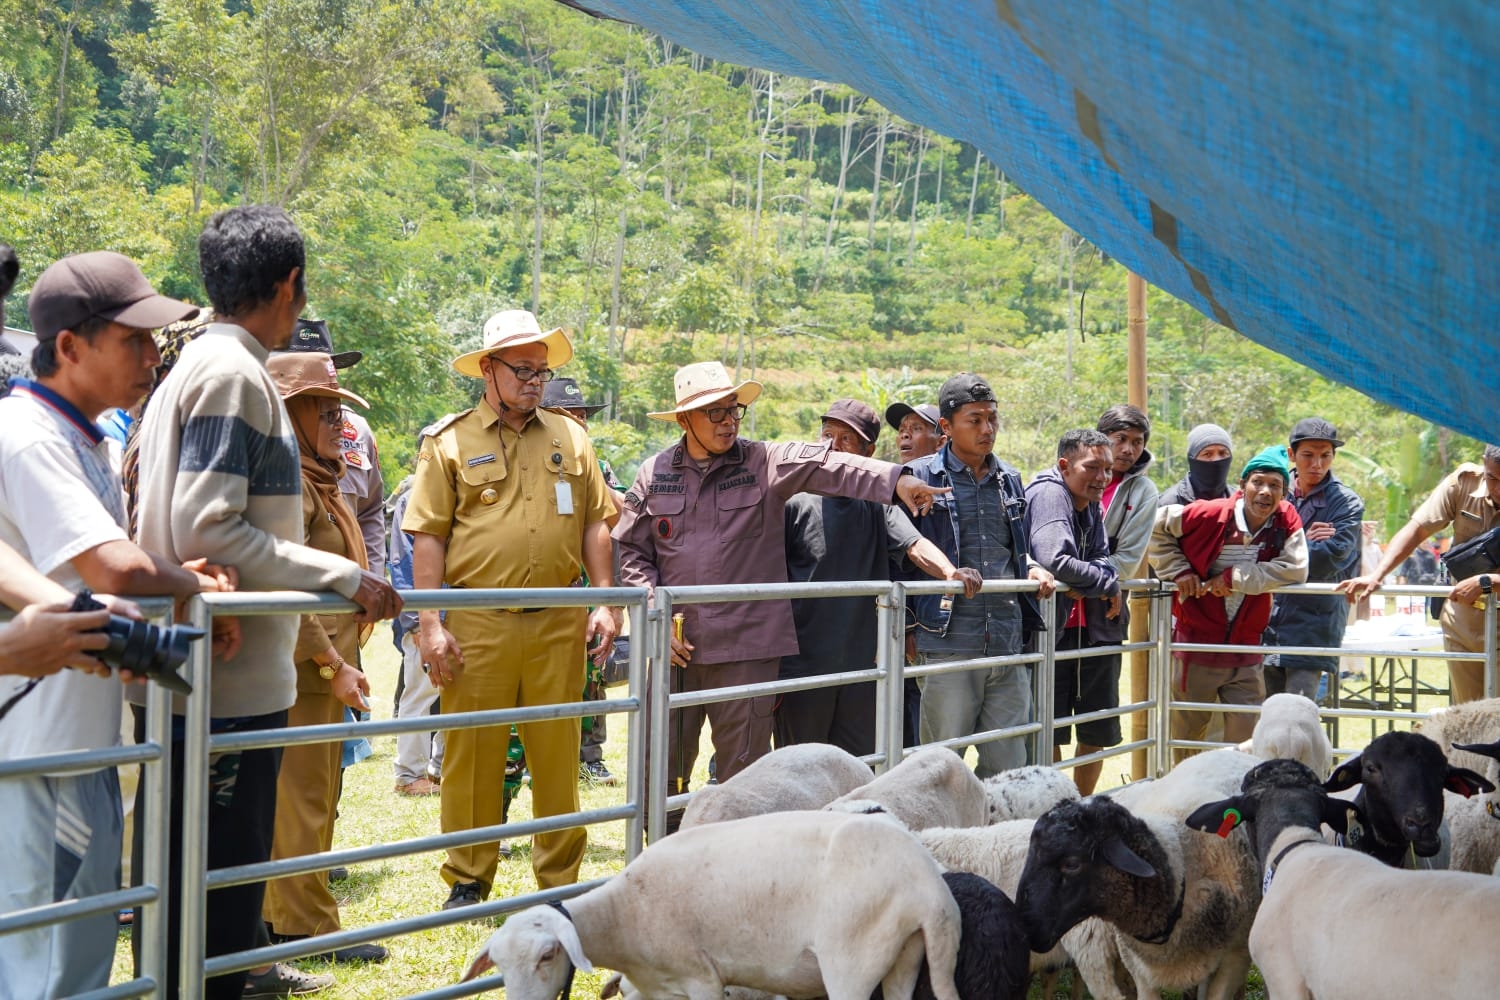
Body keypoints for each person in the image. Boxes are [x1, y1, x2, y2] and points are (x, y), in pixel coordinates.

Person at [132, 206, 402, 1000]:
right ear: (289, 285)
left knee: (202, 911)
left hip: (218, 681)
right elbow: (205, 528)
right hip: (227, 693)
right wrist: (345, 578)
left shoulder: (206, 367)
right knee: (212, 920)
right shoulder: (233, 377)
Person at [0, 250, 241, 997]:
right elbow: (115, 571)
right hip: (41, 746)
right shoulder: (29, 435)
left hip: (83, 738)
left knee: (80, 951)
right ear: (69, 347)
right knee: (49, 966)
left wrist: (172, 585)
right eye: (132, 339)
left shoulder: (94, 437)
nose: (150, 354)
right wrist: (178, 584)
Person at [614, 362, 949, 815]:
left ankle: (740, 875)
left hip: (747, 650)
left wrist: (897, 480)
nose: (728, 421)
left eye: (733, 410)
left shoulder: (764, 461)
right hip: (676, 648)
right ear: (683, 420)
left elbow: (831, 464)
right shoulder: (654, 474)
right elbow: (632, 553)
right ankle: (664, 864)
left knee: (744, 780)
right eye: (714, 413)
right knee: (663, 771)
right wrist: (654, 614)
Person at [403, 309, 618, 908]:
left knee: (557, 755)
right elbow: (429, 536)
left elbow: (597, 524)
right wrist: (429, 622)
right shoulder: (449, 442)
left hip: (557, 618)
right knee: (473, 754)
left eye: (541, 371)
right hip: (477, 620)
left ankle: (559, 884)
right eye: (522, 369)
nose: (533, 380)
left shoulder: (570, 437)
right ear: (488, 371)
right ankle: (469, 878)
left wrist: (605, 602)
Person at [259, 351, 388, 961]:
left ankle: (284, 915)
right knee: (301, 803)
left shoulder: (317, 479)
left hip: (323, 666)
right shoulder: (288, 485)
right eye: (327, 410)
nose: (341, 424)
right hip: (305, 670)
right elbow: (284, 589)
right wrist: (332, 666)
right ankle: (303, 926)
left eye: (340, 410)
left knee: (308, 798)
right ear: (290, 413)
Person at [776, 399, 981, 756]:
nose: (831, 446)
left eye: (845, 439)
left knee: (859, 767)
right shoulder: (793, 501)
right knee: (800, 767)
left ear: (867, 452)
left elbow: (915, 545)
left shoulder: (876, 504)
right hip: (803, 669)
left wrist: (950, 571)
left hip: (862, 670)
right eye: (827, 435)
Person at [903, 373, 1055, 777]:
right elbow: (898, 553)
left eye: (992, 418)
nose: (987, 429)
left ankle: (999, 842)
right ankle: (940, 842)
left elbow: (1016, 550)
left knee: (1009, 767)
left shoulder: (1010, 479)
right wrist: (905, 627)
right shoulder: (919, 479)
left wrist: (1034, 568)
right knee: (942, 767)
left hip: (1006, 639)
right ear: (947, 427)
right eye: (974, 420)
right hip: (948, 640)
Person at [1149, 446, 1308, 757]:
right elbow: (1152, 529)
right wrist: (1178, 571)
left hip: (1246, 646)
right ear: (1242, 485)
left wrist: (1236, 577)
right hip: (1197, 642)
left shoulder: (1285, 520)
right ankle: (1183, 801)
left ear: (1284, 494)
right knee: (1187, 736)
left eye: (1275, 486)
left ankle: (1240, 800)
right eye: (1258, 482)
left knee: (1247, 738)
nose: (1265, 492)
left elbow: (1296, 568)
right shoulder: (1208, 513)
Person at [1339, 445, 1500, 703]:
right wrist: (1378, 574)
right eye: (1493, 478)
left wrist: (1490, 581)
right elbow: (1417, 529)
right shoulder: (1463, 482)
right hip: (1463, 623)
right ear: (1484, 464)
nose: (1498, 489)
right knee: (1468, 718)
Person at [1024, 429, 1122, 794]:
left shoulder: (1089, 500)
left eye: (1107, 469)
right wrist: (1106, 584)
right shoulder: (1051, 494)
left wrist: (1099, 578)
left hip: (1078, 628)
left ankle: (1078, 804)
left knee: (1091, 725)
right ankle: (1053, 804)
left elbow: (1101, 556)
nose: (1102, 478)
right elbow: (1056, 560)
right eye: (1093, 467)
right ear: (1064, 465)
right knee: (1048, 725)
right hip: (1045, 630)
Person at [541, 376, 624, 785]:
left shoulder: (597, 464)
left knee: (593, 675)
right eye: (569, 414)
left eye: (583, 415)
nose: (579, 422)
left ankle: (589, 757)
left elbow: (621, 517)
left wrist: (612, 602)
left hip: (588, 590)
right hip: (540, 591)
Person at [1262, 419, 1364, 699]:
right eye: (1308, 455)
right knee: (1261, 716)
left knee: (1299, 712)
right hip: (1265, 620)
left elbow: (1330, 558)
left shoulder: (1346, 502)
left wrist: (1278, 551)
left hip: (1314, 623)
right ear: (1292, 455)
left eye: (1325, 455)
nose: (1317, 464)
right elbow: (1254, 548)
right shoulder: (1270, 492)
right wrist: (1305, 540)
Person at [885, 399, 947, 746]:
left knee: (925, 726)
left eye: (917, 428)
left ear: (941, 440)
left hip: (933, 631)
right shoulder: (888, 487)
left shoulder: (945, 489)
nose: (905, 435)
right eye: (902, 430)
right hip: (898, 629)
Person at [389, 429, 444, 796]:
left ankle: (439, 766)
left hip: (458, 611)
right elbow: (405, 563)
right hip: (425, 613)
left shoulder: (451, 493)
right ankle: (409, 773)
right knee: (419, 693)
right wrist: (419, 621)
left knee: (453, 693)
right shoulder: (413, 498)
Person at [1159, 423, 1234, 506]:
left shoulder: (1239, 502)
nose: (1216, 459)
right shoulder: (1170, 504)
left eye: (1223, 453)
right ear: (1192, 459)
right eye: (1207, 454)